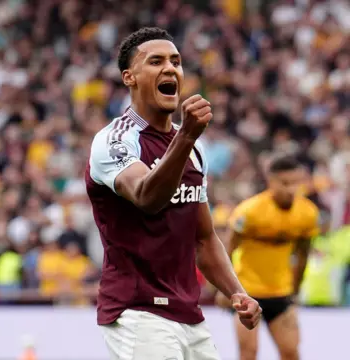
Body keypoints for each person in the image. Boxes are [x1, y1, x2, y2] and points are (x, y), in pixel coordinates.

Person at [85, 27, 262, 360]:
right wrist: (186, 139)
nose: (170, 69)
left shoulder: (193, 148)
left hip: (188, 313)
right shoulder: (114, 141)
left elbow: (204, 239)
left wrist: (238, 293)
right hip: (137, 311)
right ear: (130, 77)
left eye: (176, 62)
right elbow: (147, 198)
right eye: (155, 61)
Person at [217, 154, 319, 360]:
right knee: (249, 353)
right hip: (247, 292)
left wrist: (296, 289)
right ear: (270, 181)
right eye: (285, 183)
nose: (291, 189)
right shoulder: (249, 211)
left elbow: (303, 253)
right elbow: (228, 248)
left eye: (295, 183)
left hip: (281, 292)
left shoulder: (307, 213)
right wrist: (223, 289)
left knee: (291, 352)